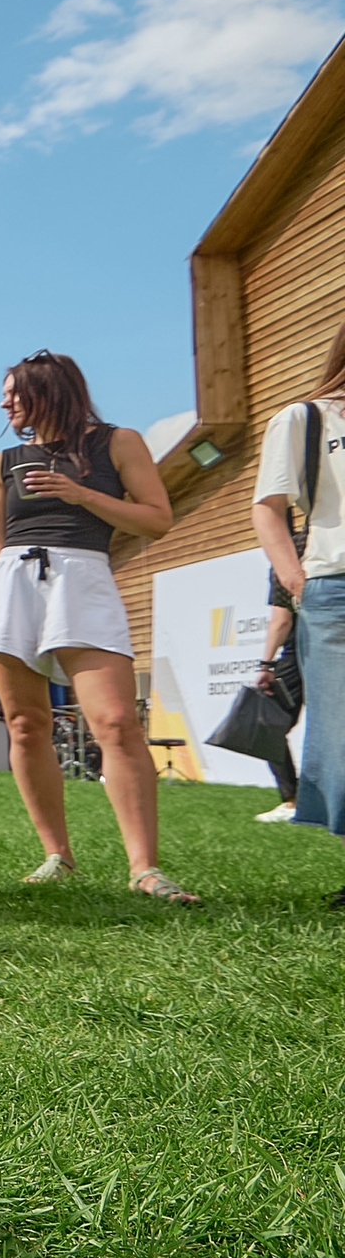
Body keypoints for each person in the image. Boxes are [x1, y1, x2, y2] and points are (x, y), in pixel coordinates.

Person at [0, 351, 193, 902]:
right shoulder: (3, 461)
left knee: (114, 722)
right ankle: (56, 856)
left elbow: (158, 519)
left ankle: (145, 868)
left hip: (82, 578)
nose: (4, 403)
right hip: (10, 583)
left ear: (49, 389)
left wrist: (82, 494)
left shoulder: (118, 441)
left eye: (13, 392)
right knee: (24, 723)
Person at [249, 321, 345, 908]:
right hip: (334, 586)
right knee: (342, 733)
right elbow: (268, 507)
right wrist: (294, 578)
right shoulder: (305, 419)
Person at [255, 589, 301, 823]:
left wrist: (266, 665)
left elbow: (281, 619)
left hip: (299, 653)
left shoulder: (285, 561)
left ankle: (292, 800)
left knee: (269, 725)